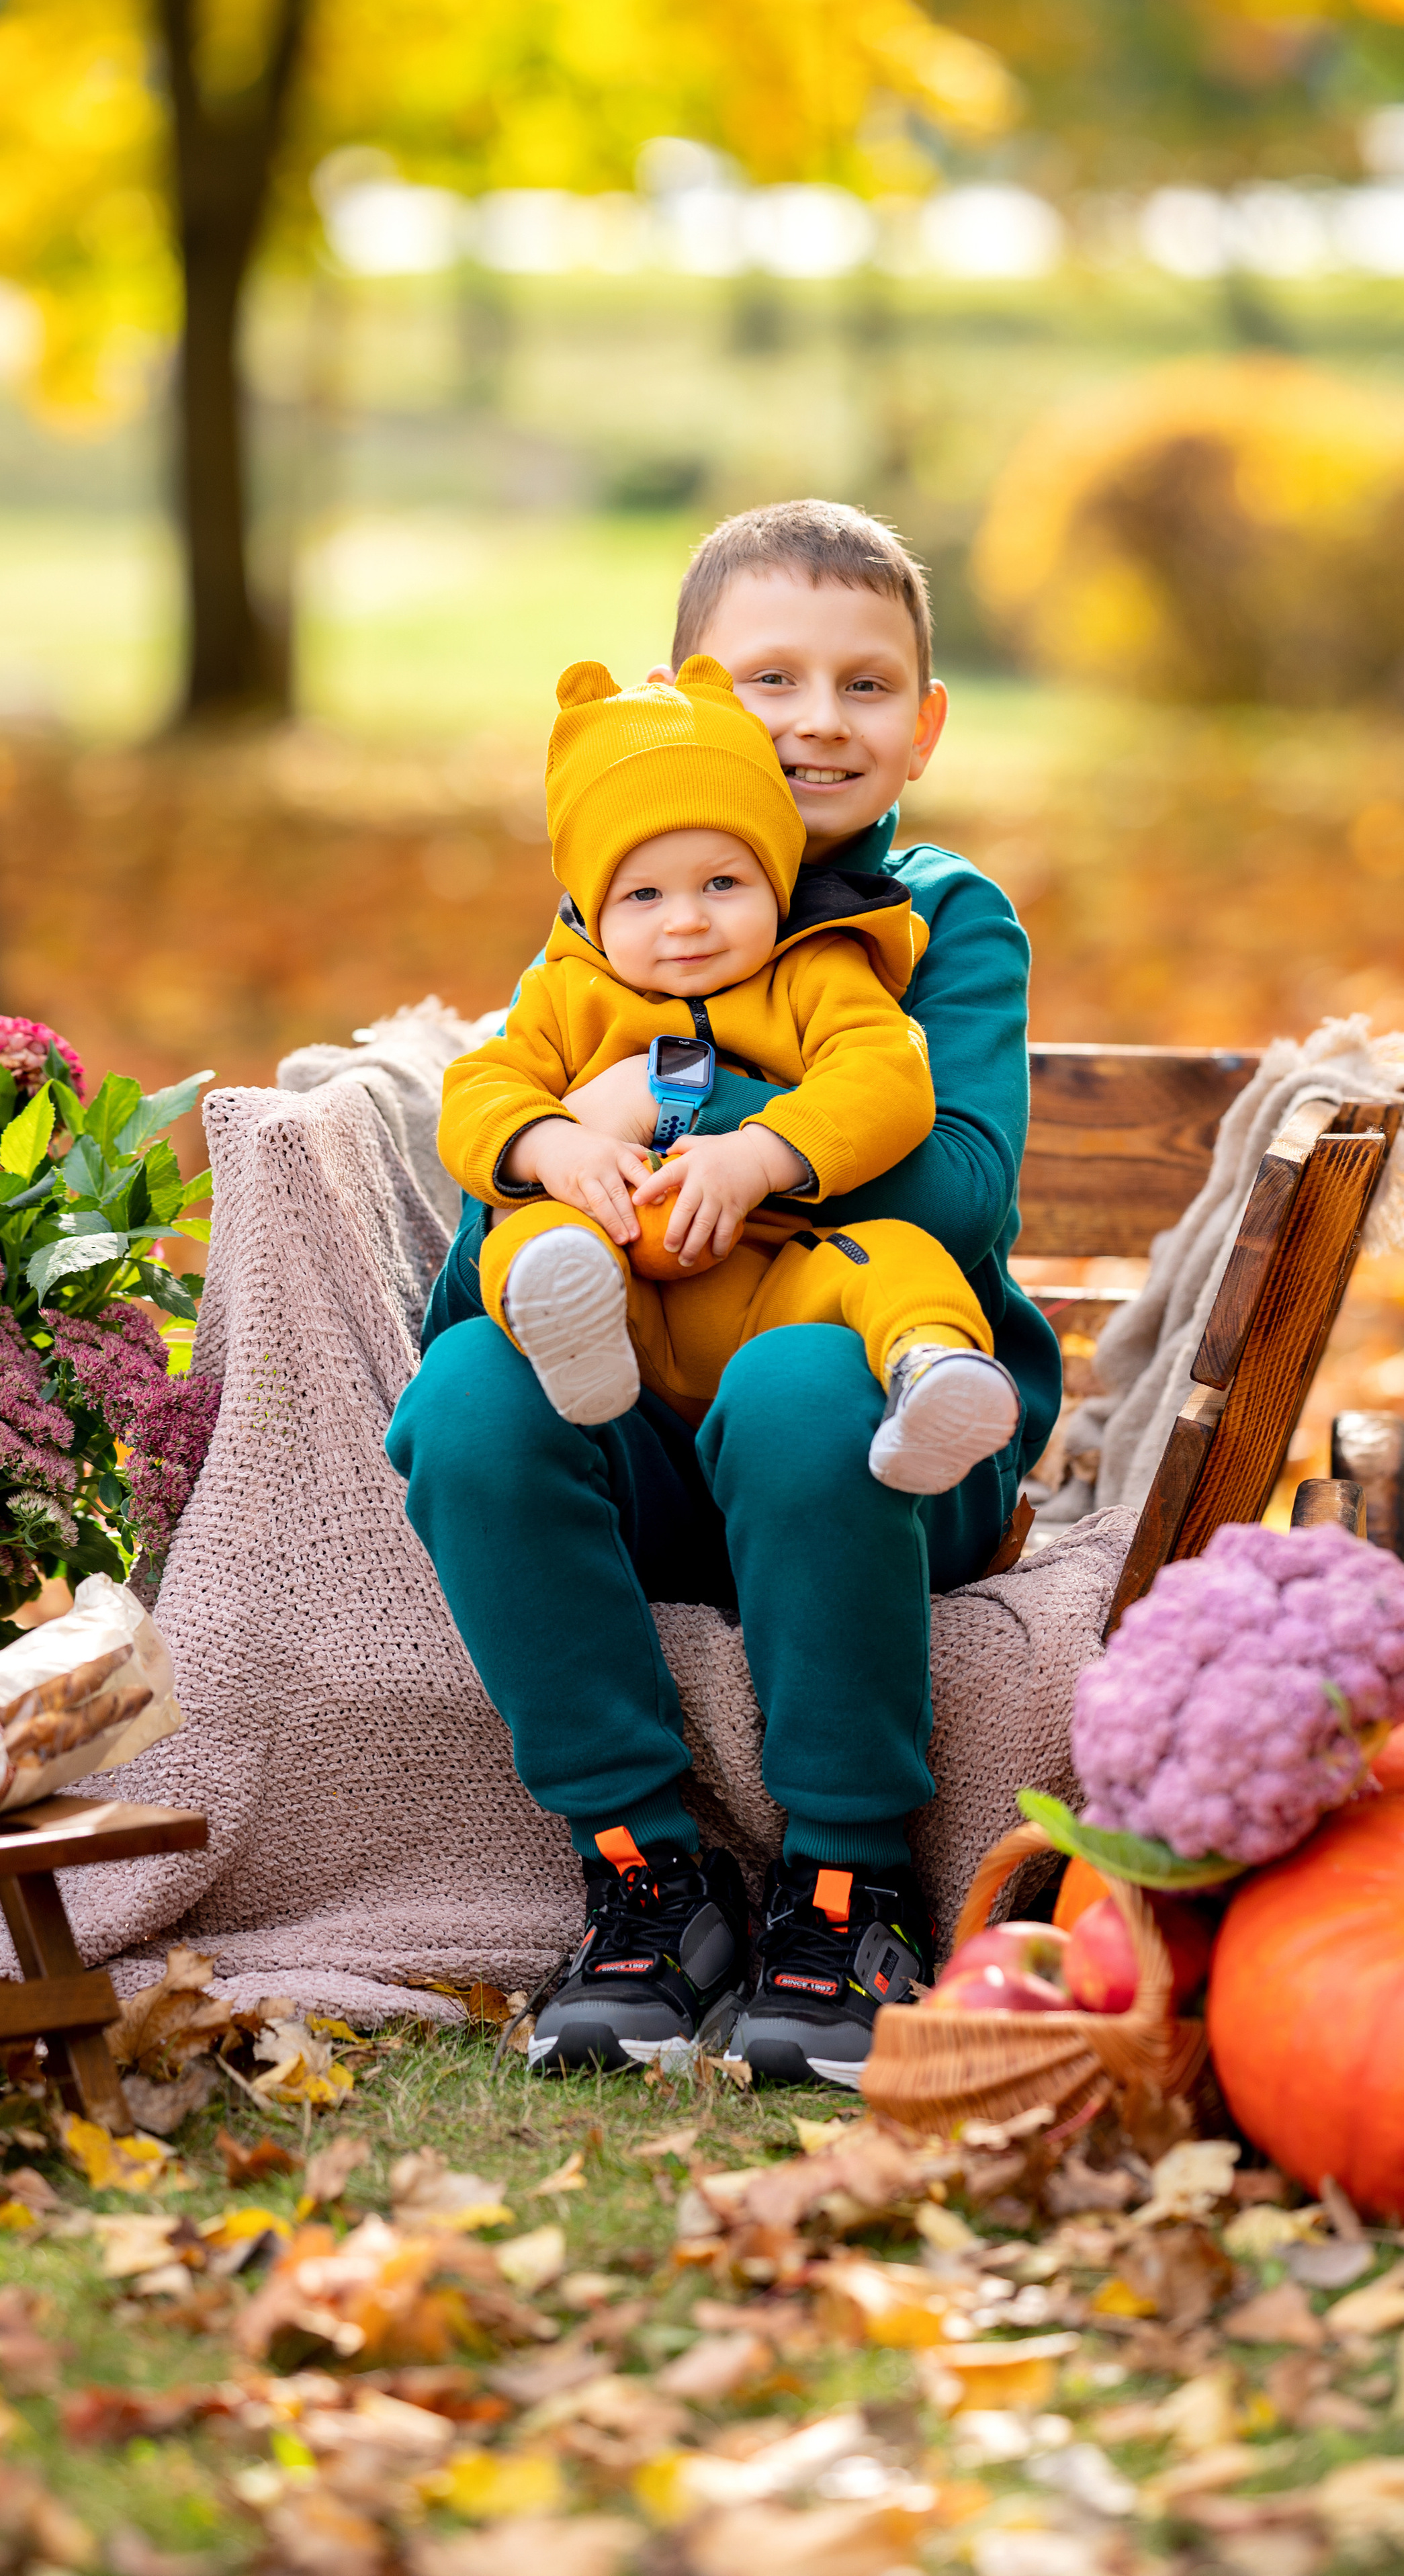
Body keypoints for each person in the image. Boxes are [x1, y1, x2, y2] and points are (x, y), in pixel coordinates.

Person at [386, 499, 1061, 2090]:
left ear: (926, 722)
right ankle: (644, 1877)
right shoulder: (613, 906)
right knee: (471, 1398)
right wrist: (569, 1145)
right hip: (636, 1422)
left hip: (883, 1439)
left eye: (864, 684)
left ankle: (844, 1890)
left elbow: (955, 1182)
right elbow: (503, 1141)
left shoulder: (938, 921)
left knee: (794, 1387)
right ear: (682, 698)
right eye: (766, 679)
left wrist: (719, 1147)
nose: (816, 721)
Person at [439, 653, 1022, 1494]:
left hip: (781, 1282)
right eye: (643, 896)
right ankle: (570, 1333)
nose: (688, 921)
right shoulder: (569, 990)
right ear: (594, 910)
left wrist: (761, 1153)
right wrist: (549, 1146)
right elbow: (479, 1089)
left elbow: (888, 1075)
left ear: (777, 882)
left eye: (723, 882)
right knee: (530, 1239)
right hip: (623, 1291)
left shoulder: (816, 972)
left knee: (890, 1257)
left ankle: (929, 1372)